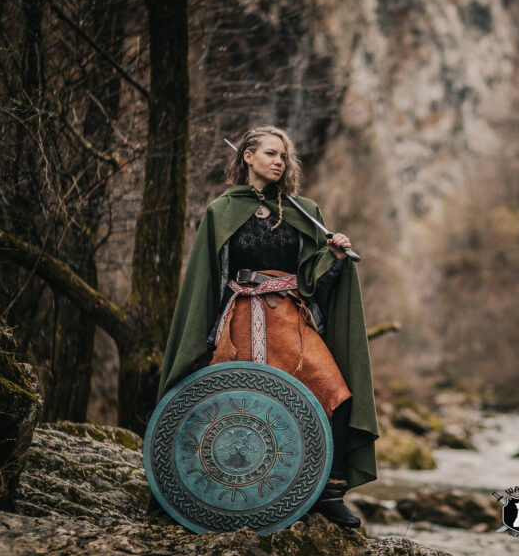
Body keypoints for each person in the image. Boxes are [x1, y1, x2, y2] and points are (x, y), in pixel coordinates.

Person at [153, 126, 378, 528]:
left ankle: (328, 493)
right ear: (248, 156)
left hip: (291, 320)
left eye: (284, 157)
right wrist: (201, 340)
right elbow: (207, 280)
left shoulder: (303, 209)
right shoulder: (221, 211)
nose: (279, 162)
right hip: (239, 317)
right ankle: (204, 493)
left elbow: (312, 278)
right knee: (230, 404)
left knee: (336, 395)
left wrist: (334, 257)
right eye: (271, 153)